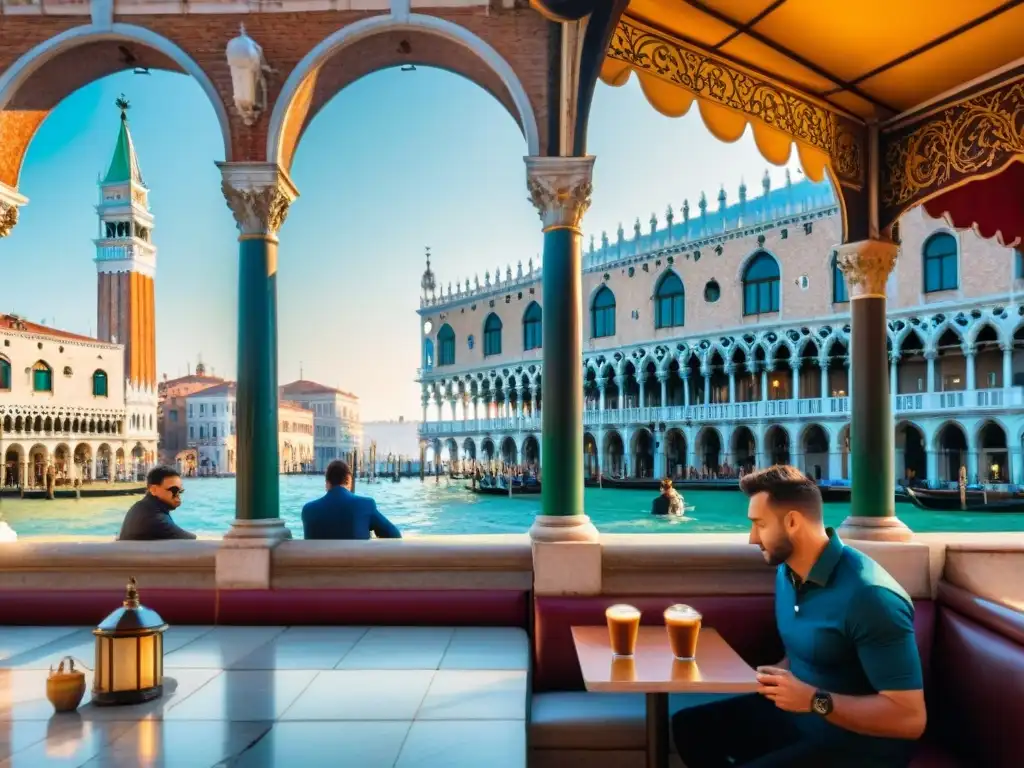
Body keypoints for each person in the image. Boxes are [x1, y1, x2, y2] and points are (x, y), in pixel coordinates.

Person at [671, 465, 925, 767]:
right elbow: (808, 652)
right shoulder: (788, 571)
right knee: (690, 726)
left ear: (792, 522)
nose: (752, 538)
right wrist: (773, 674)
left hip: (858, 746)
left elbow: (909, 718)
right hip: (799, 718)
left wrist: (813, 699)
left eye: (759, 525)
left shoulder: (870, 596)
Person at [302, 460, 401, 540]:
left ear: (327, 483)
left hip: (318, 564)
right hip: (357, 563)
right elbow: (395, 535)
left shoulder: (308, 510)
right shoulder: (366, 505)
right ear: (349, 480)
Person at [118, 466, 196, 541]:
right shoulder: (153, 517)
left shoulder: (144, 507)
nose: (178, 496)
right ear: (154, 490)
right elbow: (189, 539)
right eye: (174, 490)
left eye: (180, 491)